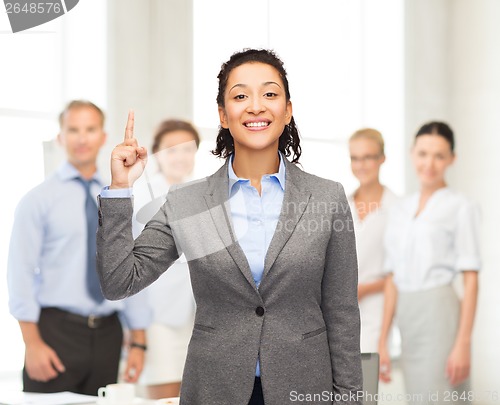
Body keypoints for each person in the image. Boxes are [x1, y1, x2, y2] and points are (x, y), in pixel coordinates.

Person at [96, 49, 362, 404]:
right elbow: (118, 281)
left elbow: (342, 311)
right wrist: (120, 188)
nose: (255, 106)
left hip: (303, 386)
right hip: (214, 387)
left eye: (269, 94)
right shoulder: (188, 202)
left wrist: (350, 399)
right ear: (223, 114)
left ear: (288, 110)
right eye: (240, 96)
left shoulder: (327, 198)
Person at [7, 100, 151, 395]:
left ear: (103, 136)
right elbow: (19, 273)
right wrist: (31, 344)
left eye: (90, 129)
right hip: (55, 334)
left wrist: (138, 340)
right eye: (73, 130)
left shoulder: (119, 198)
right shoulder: (38, 200)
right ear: (60, 137)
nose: (82, 138)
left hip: (109, 335)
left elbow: (130, 267)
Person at [378, 122, 480, 404]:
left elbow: (471, 279)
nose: (429, 163)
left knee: (444, 397)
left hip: (441, 315)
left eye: (439, 155)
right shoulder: (400, 209)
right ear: (412, 154)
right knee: (418, 396)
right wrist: (383, 339)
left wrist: (463, 343)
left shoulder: (460, 207)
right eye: (423, 153)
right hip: (407, 318)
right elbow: (391, 278)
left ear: (451, 159)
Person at [133, 120, 199, 399]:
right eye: (171, 150)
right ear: (156, 153)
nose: (180, 158)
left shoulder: (199, 195)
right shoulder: (142, 197)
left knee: (191, 393)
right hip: (156, 316)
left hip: (195, 316)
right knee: (165, 394)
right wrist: (135, 331)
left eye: (187, 149)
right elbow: (130, 266)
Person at [347, 128, 397, 353]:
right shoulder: (341, 205)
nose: (361, 165)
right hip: (341, 312)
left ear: (382, 159)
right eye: (355, 158)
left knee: (367, 384)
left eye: (368, 157)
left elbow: (397, 274)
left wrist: (363, 289)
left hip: (377, 313)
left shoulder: (398, 209)